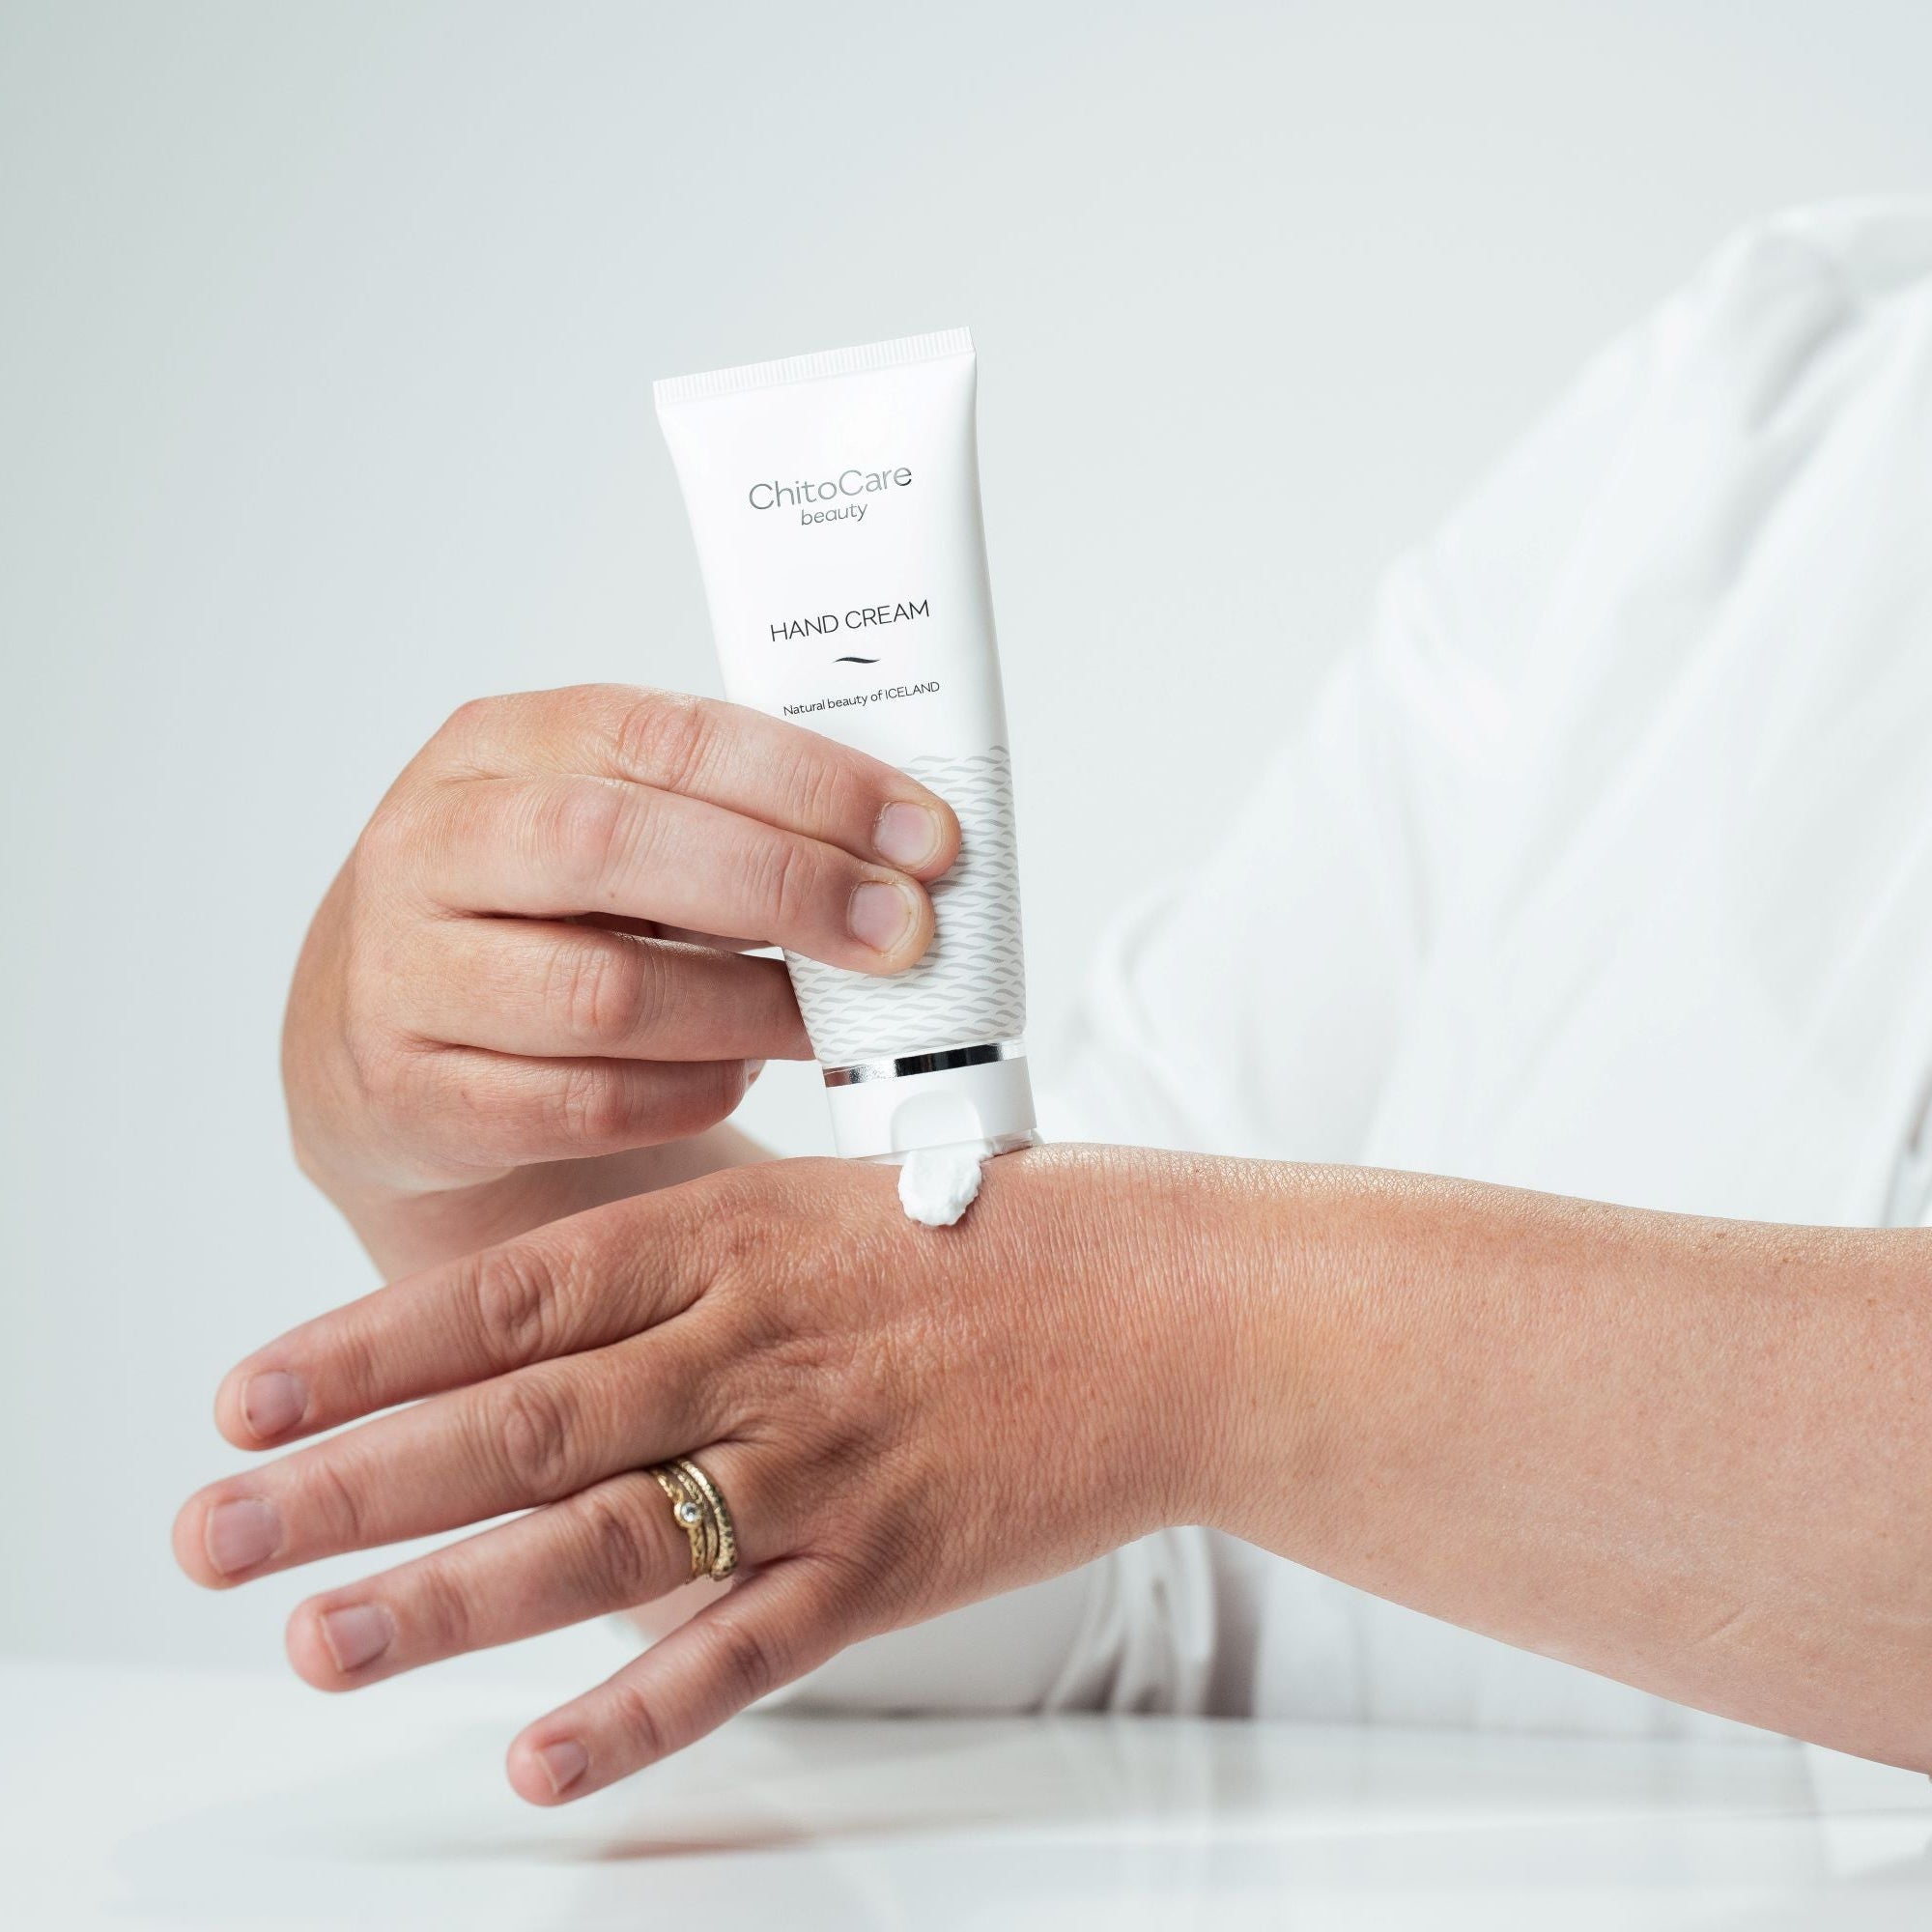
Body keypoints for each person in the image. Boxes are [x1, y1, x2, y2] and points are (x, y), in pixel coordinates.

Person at [175, 200, 1932, 1805]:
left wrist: (1197, 1344)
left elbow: (1124, 1336)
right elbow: (1087, 1544)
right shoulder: (1774, 403)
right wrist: (507, 1167)